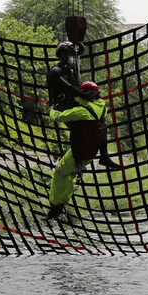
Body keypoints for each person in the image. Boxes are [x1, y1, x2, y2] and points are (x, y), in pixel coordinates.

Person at [43, 81, 119, 220]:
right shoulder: (102, 109)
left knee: (59, 173)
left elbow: (60, 117)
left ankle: (55, 206)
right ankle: (63, 203)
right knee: (70, 176)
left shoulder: (82, 111)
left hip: (78, 151)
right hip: (90, 154)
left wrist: (52, 110)